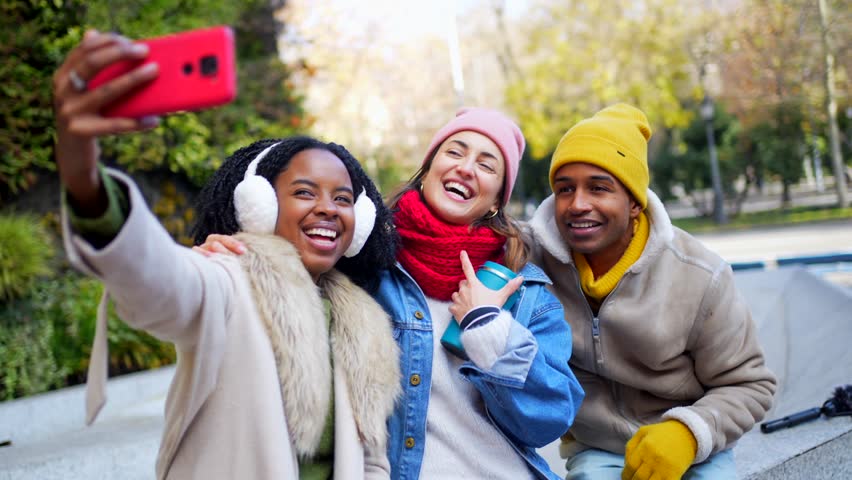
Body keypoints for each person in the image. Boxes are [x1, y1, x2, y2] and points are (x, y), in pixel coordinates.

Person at [54, 30, 401, 479]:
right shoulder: (225, 280)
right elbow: (156, 282)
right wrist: (84, 177)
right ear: (261, 205)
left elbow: (371, 459)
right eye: (304, 192)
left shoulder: (362, 322)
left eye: (343, 198)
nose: (328, 210)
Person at [200, 108, 585, 479]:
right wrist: (236, 253)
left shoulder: (528, 295)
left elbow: (548, 420)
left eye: (487, 165)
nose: (466, 168)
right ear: (428, 170)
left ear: (498, 199)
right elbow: (289, 271)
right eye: (454, 151)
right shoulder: (365, 268)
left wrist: (490, 328)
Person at [527, 103, 777, 480]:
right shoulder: (533, 257)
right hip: (597, 448)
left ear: (633, 203)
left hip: (694, 445)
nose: (578, 204)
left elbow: (750, 385)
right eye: (565, 189)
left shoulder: (699, 275)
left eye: (599, 187)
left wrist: (687, 434)